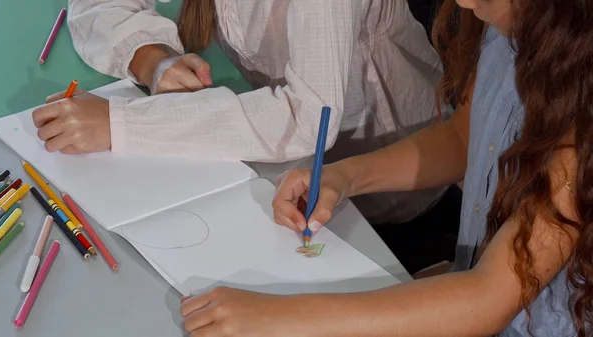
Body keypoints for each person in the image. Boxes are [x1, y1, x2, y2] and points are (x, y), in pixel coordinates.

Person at [179, 0, 593, 336]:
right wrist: (346, 177)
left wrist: (276, 317)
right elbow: (462, 139)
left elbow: (489, 299)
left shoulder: (584, 107)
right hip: (469, 283)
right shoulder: (499, 28)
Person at [32, 0, 455, 264]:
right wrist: (152, 60)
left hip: (386, 189)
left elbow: (305, 118)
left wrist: (120, 122)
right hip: (283, 169)